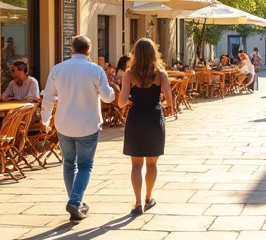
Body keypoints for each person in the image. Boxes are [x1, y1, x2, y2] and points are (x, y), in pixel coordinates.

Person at [41, 35, 115, 223]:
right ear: (89, 50)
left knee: (68, 163)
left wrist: (45, 120)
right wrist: (112, 90)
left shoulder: (58, 69)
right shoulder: (95, 70)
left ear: (72, 49)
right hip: (87, 124)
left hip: (64, 123)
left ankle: (74, 199)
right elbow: (108, 98)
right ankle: (75, 200)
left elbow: (48, 97)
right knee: (85, 165)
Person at [118, 38, 174, 215]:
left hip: (136, 119)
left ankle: (137, 203)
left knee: (136, 164)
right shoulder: (161, 74)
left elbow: (121, 102)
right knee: (152, 163)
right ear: (153, 53)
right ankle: (149, 198)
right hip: (154, 117)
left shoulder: (129, 74)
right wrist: (168, 106)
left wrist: (127, 96)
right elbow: (168, 97)